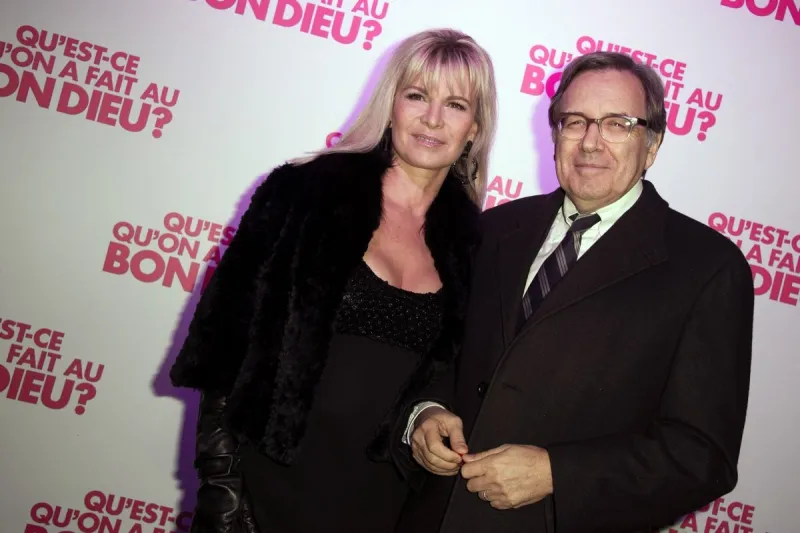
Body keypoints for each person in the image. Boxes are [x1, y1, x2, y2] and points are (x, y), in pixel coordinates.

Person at [395, 51, 754, 533]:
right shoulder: (495, 229)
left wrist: (556, 474)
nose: (590, 142)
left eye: (617, 124)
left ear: (652, 144)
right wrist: (425, 412)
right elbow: (436, 357)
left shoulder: (707, 267)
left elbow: (701, 456)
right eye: (575, 121)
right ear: (554, 133)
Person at [167, 28, 498, 533]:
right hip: (265, 495)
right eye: (416, 96)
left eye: (455, 104)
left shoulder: (477, 246)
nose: (433, 118)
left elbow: (450, 383)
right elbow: (221, 354)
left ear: (474, 126)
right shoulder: (304, 193)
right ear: (391, 105)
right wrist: (223, 492)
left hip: (383, 509)